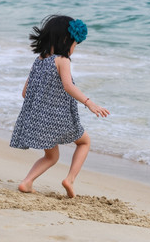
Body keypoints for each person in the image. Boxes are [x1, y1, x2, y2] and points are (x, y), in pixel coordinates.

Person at [10, 15, 110, 198]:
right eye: (74, 44)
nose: (74, 49)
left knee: (51, 157)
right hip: (59, 118)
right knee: (84, 142)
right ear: (66, 40)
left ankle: (27, 182)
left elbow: (25, 92)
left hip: (38, 118)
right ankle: (70, 179)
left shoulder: (39, 60)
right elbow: (68, 86)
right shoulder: (62, 60)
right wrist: (89, 103)